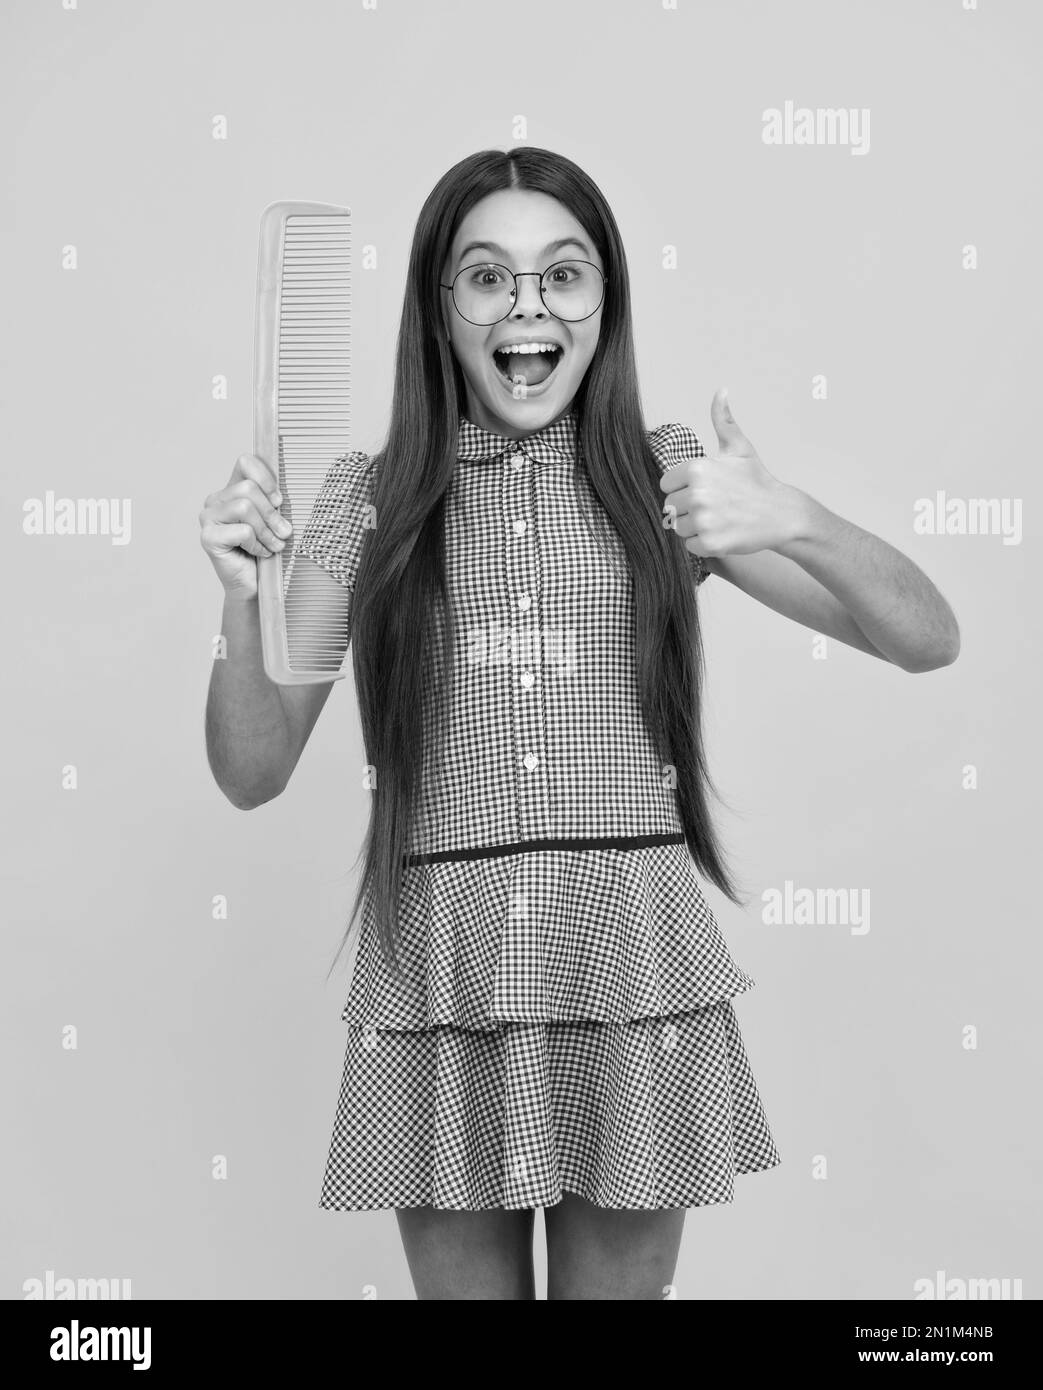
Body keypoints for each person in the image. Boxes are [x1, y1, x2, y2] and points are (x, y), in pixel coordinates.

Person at [201, 147, 960, 1300]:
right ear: (438, 307)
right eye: (486, 278)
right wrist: (241, 594)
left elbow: (925, 637)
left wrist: (789, 517)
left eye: (562, 274)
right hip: (441, 966)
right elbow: (251, 769)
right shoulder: (366, 500)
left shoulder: (663, 482)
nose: (527, 306)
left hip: (629, 955)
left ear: (603, 302)